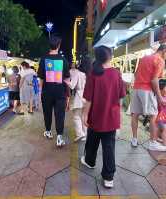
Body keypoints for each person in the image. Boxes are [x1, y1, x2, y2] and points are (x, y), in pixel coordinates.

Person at [81, 46, 126, 188]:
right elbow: (121, 97)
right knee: (109, 146)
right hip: (111, 117)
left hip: (95, 115)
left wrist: (84, 114)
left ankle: (89, 161)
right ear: (110, 56)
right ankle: (108, 177)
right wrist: (118, 115)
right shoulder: (116, 73)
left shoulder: (93, 74)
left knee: (92, 140)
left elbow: (88, 99)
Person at [131, 44, 166, 151]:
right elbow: (154, 80)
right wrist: (160, 97)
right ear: (164, 50)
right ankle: (152, 142)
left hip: (136, 88)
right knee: (153, 115)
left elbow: (136, 74)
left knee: (135, 114)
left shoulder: (144, 58)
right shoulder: (159, 60)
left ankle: (134, 139)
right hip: (147, 90)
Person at [38, 35, 70, 147]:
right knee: (60, 114)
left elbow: (41, 78)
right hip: (60, 92)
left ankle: (48, 132)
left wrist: (40, 92)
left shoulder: (43, 59)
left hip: (46, 92)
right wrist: (68, 95)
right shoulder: (63, 60)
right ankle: (59, 137)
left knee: (47, 113)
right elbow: (67, 79)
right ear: (59, 45)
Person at [65, 58, 91, 142]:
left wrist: (66, 81)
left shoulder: (78, 73)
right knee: (84, 116)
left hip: (80, 95)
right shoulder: (90, 74)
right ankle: (85, 134)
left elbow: (72, 86)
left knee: (76, 116)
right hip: (88, 97)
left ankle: (80, 134)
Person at [156, 79, 166, 146]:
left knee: (160, 129)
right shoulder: (159, 98)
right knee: (164, 130)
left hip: (163, 117)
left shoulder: (164, 96)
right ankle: (165, 143)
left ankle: (156, 138)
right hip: (160, 118)